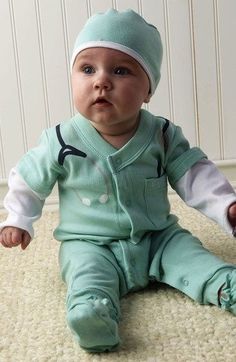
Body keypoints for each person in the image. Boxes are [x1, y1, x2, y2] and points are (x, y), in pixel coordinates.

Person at [1, 8, 236, 353]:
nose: (101, 81)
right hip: (89, 244)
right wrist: (18, 219)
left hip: (159, 238)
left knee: (194, 257)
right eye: (87, 69)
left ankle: (224, 285)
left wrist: (226, 204)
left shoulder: (162, 134)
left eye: (121, 70)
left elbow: (194, 173)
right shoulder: (61, 140)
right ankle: (92, 315)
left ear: (148, 90)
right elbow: (28, 179)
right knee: (86, 276)